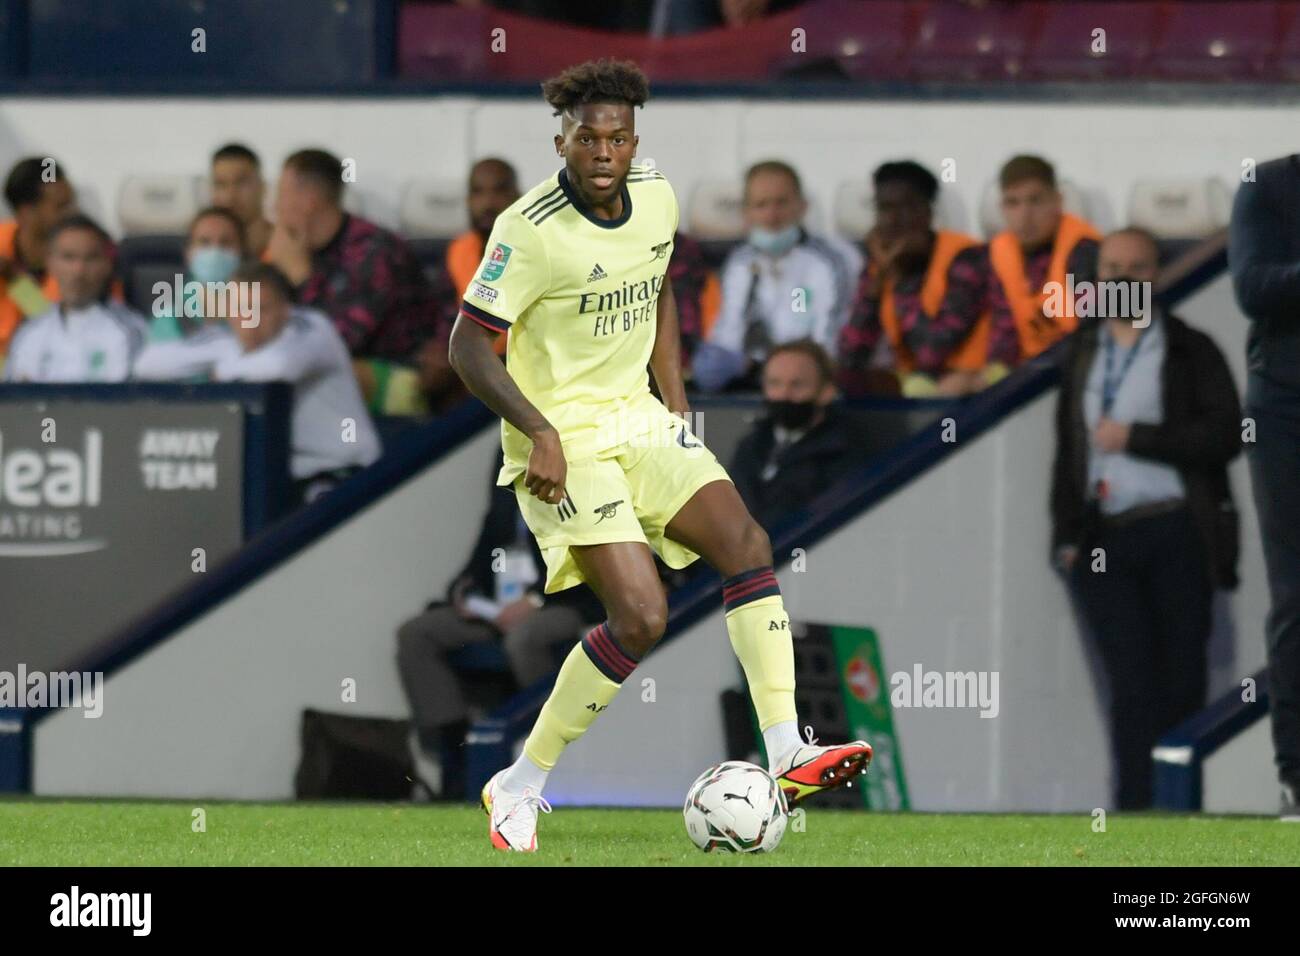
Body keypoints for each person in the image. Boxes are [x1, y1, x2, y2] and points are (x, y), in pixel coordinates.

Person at [447, 58, 871, 852]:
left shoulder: (657, 194)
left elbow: (660, 278)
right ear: (561, 139)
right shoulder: (527, 230)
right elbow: (467, 348)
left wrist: (672, 388)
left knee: (746, 543)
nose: (604, 151)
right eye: (587, 137)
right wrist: (538, 432)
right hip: (563, 441)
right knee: (640, 617)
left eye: (618, 136)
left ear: (634, 137)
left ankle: (786, 751)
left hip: (638, 421)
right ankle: (521, 780)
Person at [1052, 228, 1241, 810]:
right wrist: (1066, 537)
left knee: (1182, 678)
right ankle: (1135, 813)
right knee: (1130, 687)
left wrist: (1139, 438)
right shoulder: (1085, 351)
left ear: (1156, 275)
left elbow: (1224, 433)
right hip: (1105, 537)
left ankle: (1180, 811)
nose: (1123, 278)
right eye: (1112, 268)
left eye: (1137, 268)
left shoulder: (1189, 349)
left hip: (1176, 529)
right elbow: (1069, 452)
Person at [396, 449, 604, 800]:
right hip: (497, 610)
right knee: (417, 633)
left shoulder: (575, 487)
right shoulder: (505, 500)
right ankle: (456, 747)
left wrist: (535, 600)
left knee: (524, 639)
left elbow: (587, 566)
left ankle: (543, 742)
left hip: (561, 603)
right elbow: (478, 559)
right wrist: (464, 593)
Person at [134, 262, 381, 504]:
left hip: (347, 470)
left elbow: (279, 369)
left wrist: (223, 370)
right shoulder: (226, 340)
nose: (250, 321)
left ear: (285, 309)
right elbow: (148, 364)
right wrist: (221, 362)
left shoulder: (312, 328)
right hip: (287, 477)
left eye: (261, 309)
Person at [266, 148, 453, 414]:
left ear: (308, 200)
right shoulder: (298, 251)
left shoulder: (375, 251)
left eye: (282, 195)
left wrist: (301, 278)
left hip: (403, 377)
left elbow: (337, 344)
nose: (275, 208)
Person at [1229, 153, 1300, 821]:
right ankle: (1297, 779)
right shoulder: (1269, 185)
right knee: (1296, 594)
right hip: (1288, 412)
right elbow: (1252, 287)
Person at [692, 160, 859, 392]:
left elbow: (829, 343)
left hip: (804, 384)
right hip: (747, 382)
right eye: (761, 205)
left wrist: (769, 368)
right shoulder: (739, 264)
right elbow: (727, 333)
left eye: (781, 203)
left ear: (802, 206)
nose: (772, 215)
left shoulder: (830, 261)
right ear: (747, 213)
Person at [838, 161, 990, 398]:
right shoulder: (880, 264)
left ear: (927, 212)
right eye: (884, 208)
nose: (892, 220)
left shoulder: (967, 257)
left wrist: (900, 278)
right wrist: (875, 287)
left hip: (974, 385)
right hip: (916, 386)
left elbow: (930, 352)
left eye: (904, 208)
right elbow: (850, 356)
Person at [984, 155, 1100, 376]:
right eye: (1013, 203)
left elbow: (1093, 335)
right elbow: (1003, 337)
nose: (1024, 216)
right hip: (1030, 378)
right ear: (1002, 208)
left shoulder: (1084, 250)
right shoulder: (999, 252)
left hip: (1077, 372)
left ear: (1057, 201)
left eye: (1035, 201)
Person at [732, 339, 866, 530]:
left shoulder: (843, 453)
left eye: (797, 385)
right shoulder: (750, 446)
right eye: (774, 383)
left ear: (826, 391)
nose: (784, 394)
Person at [4, 215, 146, 383]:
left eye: (91, 258)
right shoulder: (28, 335)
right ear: (50, 262)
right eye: (68, 257)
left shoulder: (133, 332)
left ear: (108, 264)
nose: (78, 271)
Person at [0, 157, 77, 363]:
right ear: (26, 213)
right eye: (62, 207)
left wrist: (14, 279)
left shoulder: (85, 258)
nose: (73, 213)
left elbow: (63, 330)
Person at [147, 206, 247, 341]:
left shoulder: (261, 312)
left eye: (226, 243)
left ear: (242, 252)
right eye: (204, 242)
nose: (215, 252)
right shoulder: (168, 318)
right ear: (188, 253)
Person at [209, 143, 273, 260]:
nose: (230, 196)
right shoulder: (204, 255)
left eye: (241, 183)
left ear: (263, 187)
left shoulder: (284, 251)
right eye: (221, 184)